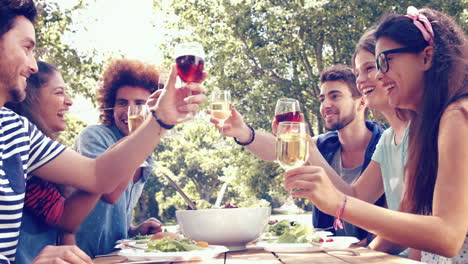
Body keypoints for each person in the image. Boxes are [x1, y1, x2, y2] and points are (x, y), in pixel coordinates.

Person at [0, 1, 206, 262]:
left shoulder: (16, 130)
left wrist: (161, 119)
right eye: (26, 48)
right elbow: (83, 208)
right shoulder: (93, 136)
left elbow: (97, 176)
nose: (32, 65)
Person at [284, 6, 467, 262]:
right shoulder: (424, 128)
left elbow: (448, 237)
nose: (379, 75)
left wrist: (339, 203)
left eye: (384, 62)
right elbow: (408, 215)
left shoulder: (457, 116)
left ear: (426, 57)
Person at [210, 65, 386, 241]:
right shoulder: (325, 144)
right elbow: (276, 150)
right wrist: (243, 132)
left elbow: (355, 202)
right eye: (322, 99)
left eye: (335, 96)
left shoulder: (384, 144)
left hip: (374, 253)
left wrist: (308, 146)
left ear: (361, 102)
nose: (326, 105)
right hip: (328, 252)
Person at [6, 61, 104, 263]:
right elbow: (61, 216)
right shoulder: (19, 150)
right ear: (31, 98)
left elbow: (64, 230)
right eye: (59, 93)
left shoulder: (45, 153)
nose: (69, 101)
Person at [73, 58, 164, 257]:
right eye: (122, 103)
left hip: (117, 257)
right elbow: (109, 193)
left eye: (140, 103)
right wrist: (139, 139)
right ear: (111, 106)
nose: (130, 111)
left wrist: (134, 230)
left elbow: (113, 214)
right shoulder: (94, 136)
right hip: (84, 257)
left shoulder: (146, 153)